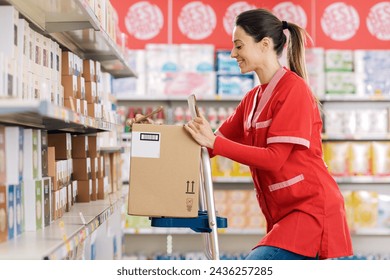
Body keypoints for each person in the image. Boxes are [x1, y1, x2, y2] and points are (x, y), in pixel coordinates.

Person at [183, 8, 353, 260]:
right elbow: (208, 146)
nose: (232, 54)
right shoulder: (251, 99)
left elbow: (274, 158)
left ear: (264, 45)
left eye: (239, 46)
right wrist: (159, 143)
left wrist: (215, 142)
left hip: (310, 211)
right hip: (282, 213)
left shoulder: (294, 91)